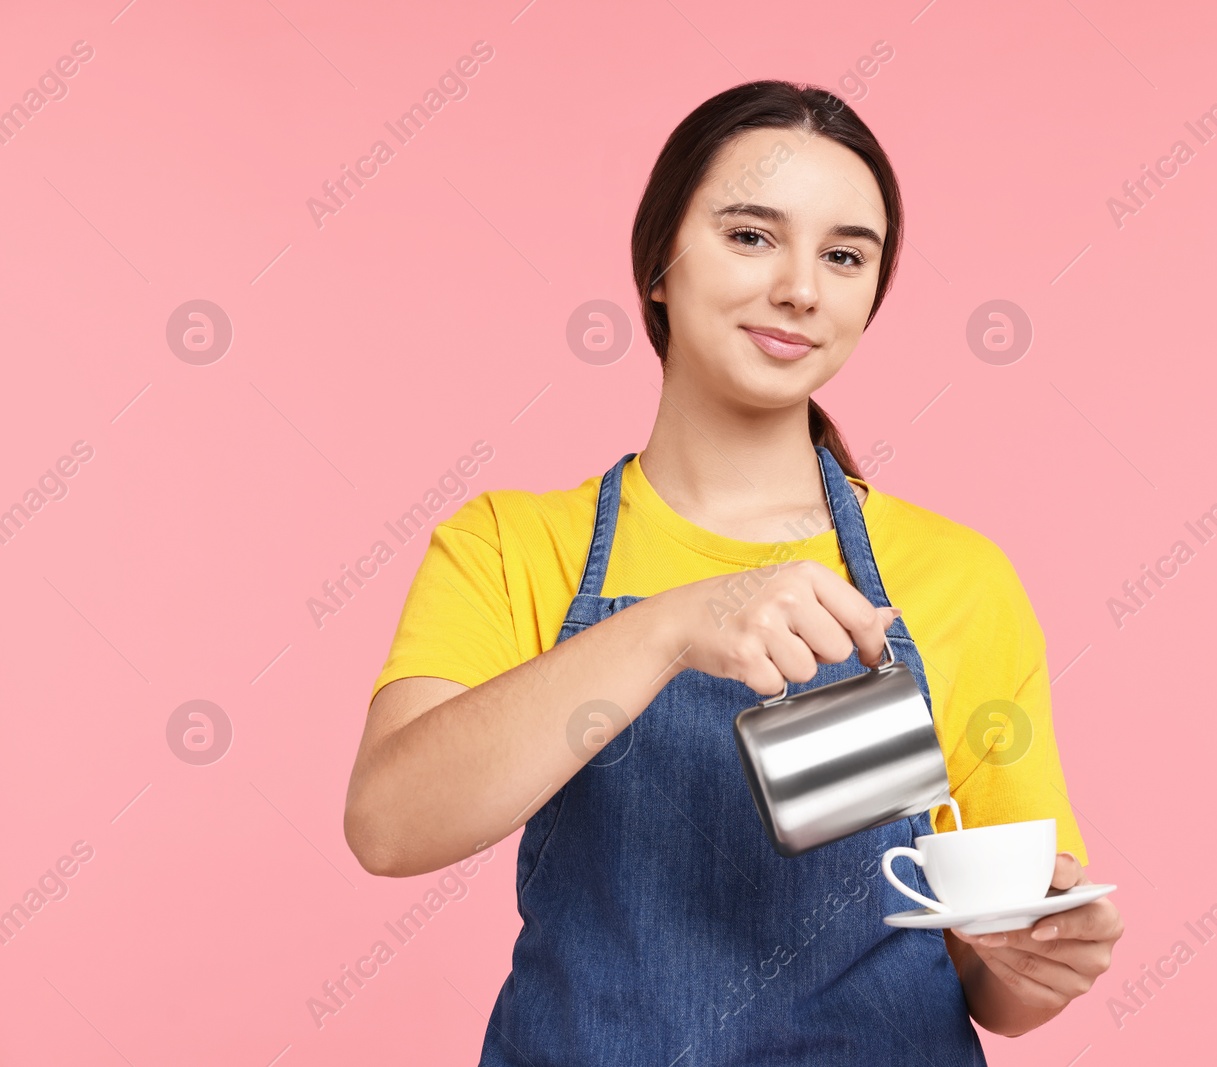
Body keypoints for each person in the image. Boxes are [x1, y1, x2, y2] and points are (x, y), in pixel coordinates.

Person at [343, 79, 1122, 1065]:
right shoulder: (513, 545)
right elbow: (389, 824)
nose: (801, 285)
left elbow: (991, 976)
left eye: (844, 256)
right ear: (659, 263)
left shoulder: (956, 577)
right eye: (752, 236)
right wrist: (670, 624)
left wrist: (1037, 962)